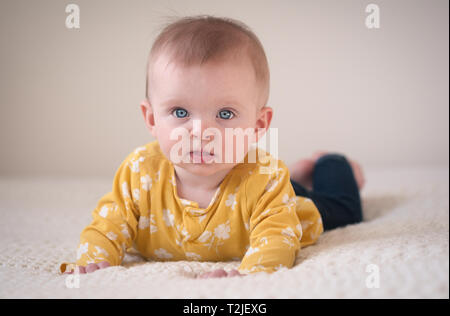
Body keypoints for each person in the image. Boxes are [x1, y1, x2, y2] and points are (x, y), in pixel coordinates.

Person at [61, 15, 365, 278]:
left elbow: (277, 238)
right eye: (180, 112)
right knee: (292, 184)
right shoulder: (140, 173)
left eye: (225, 114)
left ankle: (332, 164)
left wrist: (252, 273)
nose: (201, 132)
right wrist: (94, 261)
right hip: (261, 194)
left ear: (258, 125)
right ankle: (298, 175)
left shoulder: (267, 180)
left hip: (280, 205)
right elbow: (106, 226)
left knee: (342, 210)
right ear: (151, 118)